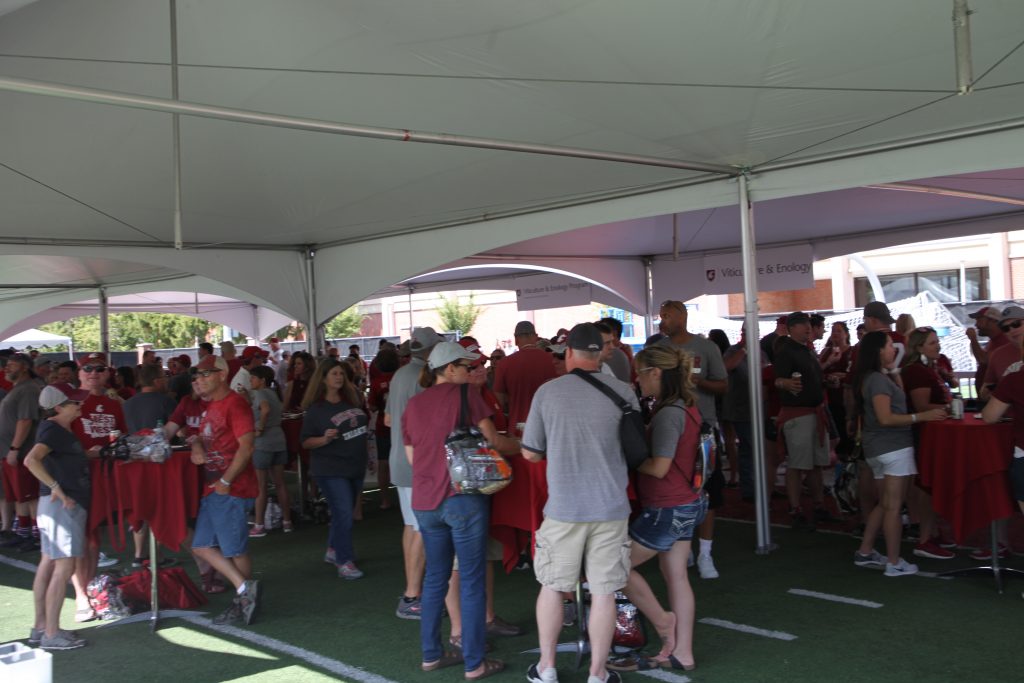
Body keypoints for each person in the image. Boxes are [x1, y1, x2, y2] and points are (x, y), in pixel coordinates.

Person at [522, 323, 637, 683]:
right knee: (604, 591)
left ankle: (547, 668)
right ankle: (598, 674)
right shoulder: (624, 391)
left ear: (569, 352)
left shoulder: (547, 393)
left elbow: (531, 453)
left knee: (553, 586)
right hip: (610, 505)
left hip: (565, 508)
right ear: (601, 352)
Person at [403, 342, 519, 680]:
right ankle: (474, 662)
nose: (471, 372)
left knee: (435, 578)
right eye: (466, 367)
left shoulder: (414, 403)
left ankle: (431, 654)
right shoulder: (466, 396)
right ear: (448, 369)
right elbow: (493, 441)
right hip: (462, 497)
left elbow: (412, 457)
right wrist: (526, 448)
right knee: (470, 579)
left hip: (426, 501)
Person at [612, 345, 706, 673]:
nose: (637, 380)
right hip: (686, 503)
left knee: (615, 566)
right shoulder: (688, 406)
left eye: (640, 373)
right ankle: (683, 653)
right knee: (676, 576)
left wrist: (630, 459)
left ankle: (662, 621)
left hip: (667, 507)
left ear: (656, 373)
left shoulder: (668, 414)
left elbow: (660, 467)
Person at [852, 332, 946, 577]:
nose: (895, 349)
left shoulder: (876, 378)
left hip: (879, 449)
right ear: (878, 351)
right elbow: (886, 418)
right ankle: (893, 562)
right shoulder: (876, 381)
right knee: (893, 507)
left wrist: (894, 370)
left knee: (885, 505)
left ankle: (865, 551)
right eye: (889, 346)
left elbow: (899, 400)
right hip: (892, 447)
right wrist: (921, 416)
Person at [656, 300, 727, 579]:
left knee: (708, 490)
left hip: (703, 428)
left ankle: (705, 554)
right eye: (661, 315)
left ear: (683, 316)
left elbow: (723, 385)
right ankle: (680, 547)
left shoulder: (706, 347)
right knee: (674, 489)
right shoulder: (658, 349)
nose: (663, 320)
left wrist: (697, 383)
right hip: (669, 427)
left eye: (668, 315)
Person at [189, 355, 260, 625]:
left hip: (231, 488)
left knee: (234, 549)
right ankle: (245, 590)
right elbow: (201, 436)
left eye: (206, 373)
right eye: (197, 374)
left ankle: (243, 599)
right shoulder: (212, 407)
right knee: (202, 546)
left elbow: (247, 447)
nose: (199, 379)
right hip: (216, 488)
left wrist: (227, 481)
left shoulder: (235, 404)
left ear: (222, 374)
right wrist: (196, 446)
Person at [24, 382, 92, 651]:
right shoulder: (53, 430)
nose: (80, 405)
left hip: (55, 506)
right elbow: (31, 460)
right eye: (75, 402)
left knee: (49, 564)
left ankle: (41, 627)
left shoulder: (55, 429)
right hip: (62, 506)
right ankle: (51, 633)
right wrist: (58, 490)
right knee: (64, 567)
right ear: (59, 407)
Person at [386, 326, 444, 619]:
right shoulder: (423, 379)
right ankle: (412, 595)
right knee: (422, 528)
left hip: (399, 458)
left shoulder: (399, 375)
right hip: (415, 462)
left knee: (412, 527)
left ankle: (411, 593)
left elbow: (387, 419)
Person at [301, 359, 368, 578]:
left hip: (354, 465)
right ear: (324, 378)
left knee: (344, 512)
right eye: (334, 374)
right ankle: (344, 561)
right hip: (330, 468)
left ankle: (333, 549)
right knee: (344, 513)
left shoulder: (352, 400)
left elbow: (361, 430)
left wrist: (369, 456)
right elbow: (305, 442)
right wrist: (324, 439)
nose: (339, 377)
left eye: (341, 373)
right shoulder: (316, 410)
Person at [900, 327, 956, 560]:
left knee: (928, 485)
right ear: (919, 347)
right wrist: (950, 408)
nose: (938, 346)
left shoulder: (928, 369)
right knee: (926, 486)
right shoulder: (917, 371)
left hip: (931, 434)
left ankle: (930, 533)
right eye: (932, 343)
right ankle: (925, 538)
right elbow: (921, 406)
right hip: (924, 434)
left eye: (937, 342)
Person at [773, 312, 833, 530]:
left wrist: (827, 381)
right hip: (798, 414)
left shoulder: (808, 350)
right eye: (801, 325)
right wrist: (784, 383)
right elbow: (777, 379)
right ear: (791, 329)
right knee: (798, 465)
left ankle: (818, 505)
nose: (807, 328)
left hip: (814, 412)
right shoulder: (786, 351)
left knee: (816, 464)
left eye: (807, 324)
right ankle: (795, 508)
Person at [0, 353, 42, 552]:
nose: (6, 368)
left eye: (11, 364)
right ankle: (23, 532)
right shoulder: (17, 389)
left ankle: (36, 535)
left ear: (24, 367)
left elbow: (25, 420)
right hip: (11, 452)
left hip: (23, 451)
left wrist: (15, 449)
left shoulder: (28, 389)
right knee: (19, 495)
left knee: (30, 494)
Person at [248, 365, 292, 538]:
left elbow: (264, 409)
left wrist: (260, 426)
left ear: (262, 380)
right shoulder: (274, 393)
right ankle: (287, 521)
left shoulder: (260, 394)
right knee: (280, 483)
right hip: (279, 440)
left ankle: (259, 524)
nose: (250, 380)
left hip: (264, 442)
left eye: (253, 377)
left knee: (261, 486)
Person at [493, 321, 557, 432]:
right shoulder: (554, 361)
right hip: (549, 426)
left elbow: (499, 403)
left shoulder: (504, 364)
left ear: (516, 339)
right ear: (536, 337)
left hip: (518, 428)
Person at [368, 347, 400, 510]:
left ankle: (385, 500)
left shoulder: (375, 383)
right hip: (402, 426)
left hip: (384, 426)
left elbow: (372, 406)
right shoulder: (401, 377)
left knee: (383, 463)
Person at [980, 306, 1024, 399]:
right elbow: (985, 389)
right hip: (1007, 412)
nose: (1012, 330)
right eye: (1005, 328)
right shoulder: (997, 355)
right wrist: (988, 394)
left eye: (1016, 324)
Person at [967, 306, 1007, 394]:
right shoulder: (992, 341)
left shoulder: (1004, 340)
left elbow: (983, 360)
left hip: (995, 396)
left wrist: (973, 339)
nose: (976, 325)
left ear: (992, 321)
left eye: (979, 320)